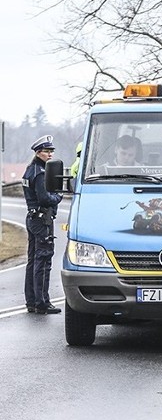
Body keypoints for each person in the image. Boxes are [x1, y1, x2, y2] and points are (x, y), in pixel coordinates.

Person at [22, 135, 64, 315]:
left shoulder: (29, 169)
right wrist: (59, 197)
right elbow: (44, 198)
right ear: (38, 152)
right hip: (41, 219)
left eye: (51, 151)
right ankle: (42, 302)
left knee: (32, 260)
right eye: (47, 151)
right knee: (44, 259)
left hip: (32, 218)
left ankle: (31, 301)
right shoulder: (40, 172)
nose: (50, 154)